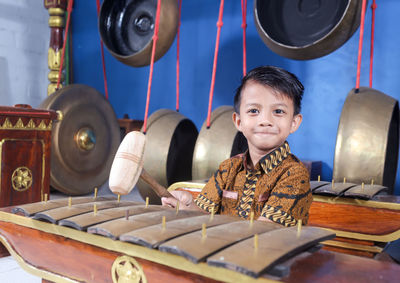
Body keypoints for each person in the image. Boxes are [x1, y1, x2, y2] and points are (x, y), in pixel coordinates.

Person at [162, 65, 312, 226]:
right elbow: (204, 217)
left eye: (278, 111)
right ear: (238, 121)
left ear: (294, 123)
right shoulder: (228, 169)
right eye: (254, 110)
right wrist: (188, 206)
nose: (265, 121)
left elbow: (265, 232)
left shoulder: (295, 175)